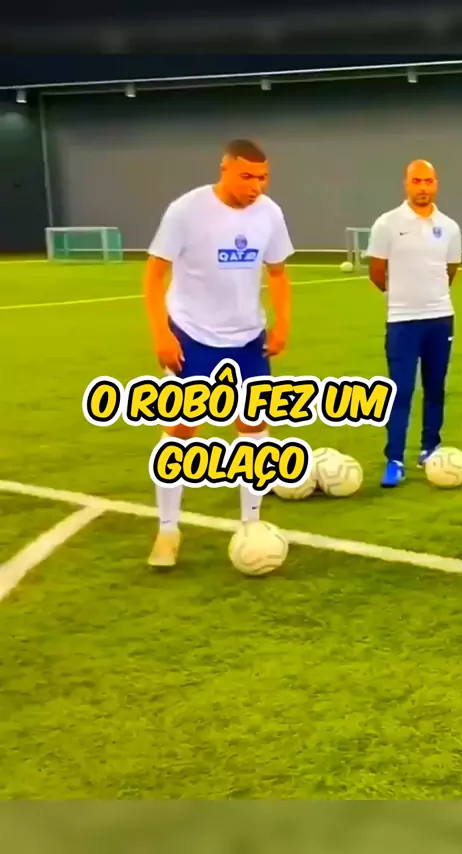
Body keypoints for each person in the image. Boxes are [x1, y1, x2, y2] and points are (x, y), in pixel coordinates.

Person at [143, 138, 294, 567]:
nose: (256, 186)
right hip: (192, 335)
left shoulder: (270, 214)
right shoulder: (186, 210)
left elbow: (278, 273)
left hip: (247, 339)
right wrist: (161, 333)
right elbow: (154, 276)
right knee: (180, 430)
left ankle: (251, 523)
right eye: (247, 176)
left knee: (254, 427)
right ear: (224, 169)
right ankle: (168, 531)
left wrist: (282, 323)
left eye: (263, 177)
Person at [367, 159, 462, 488]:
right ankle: (394, 459)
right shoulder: (387, 224)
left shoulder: (449, 227)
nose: (423, 187)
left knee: (435, 388)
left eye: (428, 181)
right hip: (402, 322)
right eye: (417, 181)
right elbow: (377, 273)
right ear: (406, 184)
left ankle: (430, 449)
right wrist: (401, 298)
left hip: (440, 319)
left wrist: (431, 297)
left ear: (436, 184)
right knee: (401, 391)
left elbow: (449, 271)